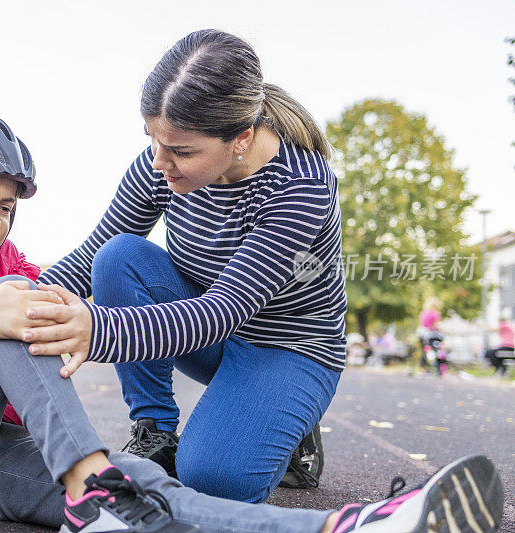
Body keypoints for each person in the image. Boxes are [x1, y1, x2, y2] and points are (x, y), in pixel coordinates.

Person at [0, 111, 504, 533]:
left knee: (143, 492)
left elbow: (44, 354)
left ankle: (354, 526)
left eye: (4, 206)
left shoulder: (11, 264)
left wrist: (38, 316)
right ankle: (92, 486)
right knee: (10, 302)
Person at [30, 28, 345, 501]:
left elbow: (221, 310)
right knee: (118, 255)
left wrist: (94, 332)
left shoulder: (300, 188)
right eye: (153, 140)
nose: (160, 162)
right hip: (206, 330)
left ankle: (285, 415)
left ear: (240, 138)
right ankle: (155, 430)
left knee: (212, 479)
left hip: (286, 347)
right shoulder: (161, 162)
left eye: (181, 151)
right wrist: (8, 299)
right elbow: (91, 253)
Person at [417, 298, 444, 373]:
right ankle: (440, 369)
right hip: (432, 335)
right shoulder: (435, 313)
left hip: (422, 334)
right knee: (438, 350)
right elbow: (437, 325)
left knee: (424, 352)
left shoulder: (423, 313)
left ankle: (423, 369)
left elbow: (421, 323)